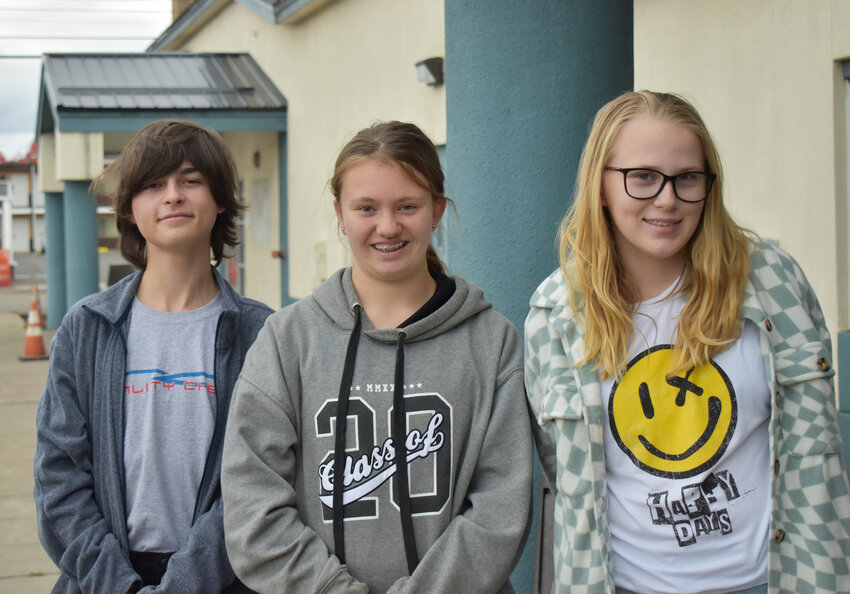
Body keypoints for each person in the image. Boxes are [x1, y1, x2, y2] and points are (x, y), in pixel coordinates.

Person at [524, 90, 850, 594]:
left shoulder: (771, 283)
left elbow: (813, 448)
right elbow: (561, 467)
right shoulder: (556, 314)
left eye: (687, 178)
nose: (668, 199)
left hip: (775, 581)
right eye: (643, 177)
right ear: (601, 186)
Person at [222, 121, 532, 593]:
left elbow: (501, 508)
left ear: (437, 211)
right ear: (340, 215)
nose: (388, 226)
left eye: (407, 206)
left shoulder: (491, 342)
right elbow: (252, 505)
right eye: (367, 207)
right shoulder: (288, 340)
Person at [33, 119, 273, 593]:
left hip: (222, 579)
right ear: (129, 209)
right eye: (152, 184)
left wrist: (183, 584)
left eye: (191, 181)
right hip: (100, 579)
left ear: (220, 198)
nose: (173, 195)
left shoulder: (260, 333)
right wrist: (118, 585)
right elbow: (58, 477)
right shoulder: (87, 328)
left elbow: (260, 483)